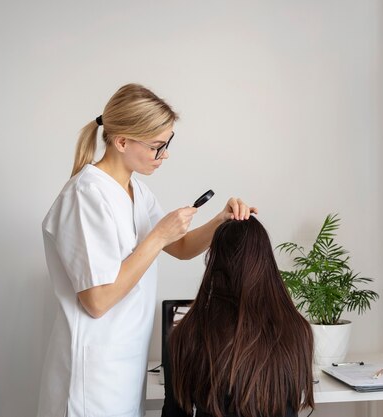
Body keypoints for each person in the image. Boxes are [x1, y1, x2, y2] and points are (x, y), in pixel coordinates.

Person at [38, 83, 257, 417]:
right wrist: (157, 236)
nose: (164, 154)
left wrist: (220, 221)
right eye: (158, 146)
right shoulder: (85, 196)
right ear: (122, 141)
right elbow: (97, 301)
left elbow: (181, 247)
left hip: (124, 368)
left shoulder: (136, 190)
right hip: (92, 376)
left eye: (167, 144)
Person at [163, 216, 314, 417]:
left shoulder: (187, 333)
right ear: (265, 260)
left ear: (214, 261)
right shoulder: (297, 330)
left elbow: (175, 413)